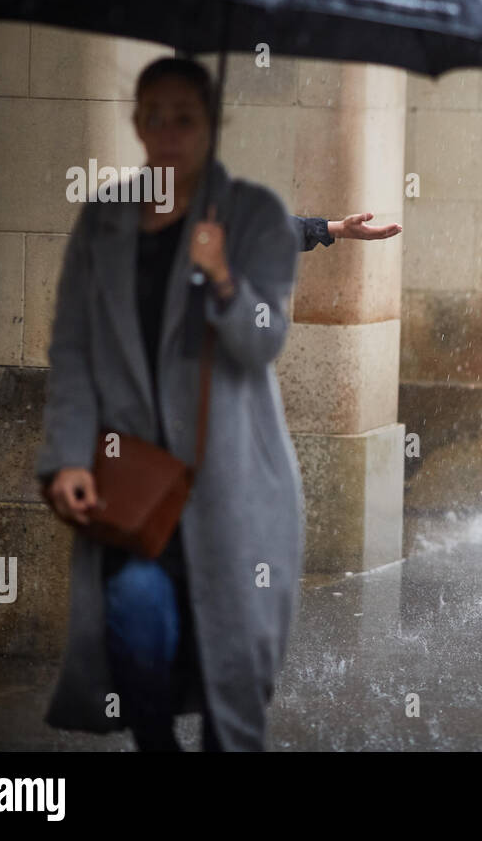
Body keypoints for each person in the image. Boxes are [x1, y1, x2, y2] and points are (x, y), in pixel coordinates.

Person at [38, 56, 309, 750]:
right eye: (152, 117)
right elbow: (72, 350)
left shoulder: (256, 216)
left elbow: (264, 340)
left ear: (213, 125)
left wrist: (222, 279)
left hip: (236, 488)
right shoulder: (103, 221)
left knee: (236, 672)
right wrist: (69, 458)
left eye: (184, 117)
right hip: (136, 486)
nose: (167, 133)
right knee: (134, 612)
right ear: (134, 122)